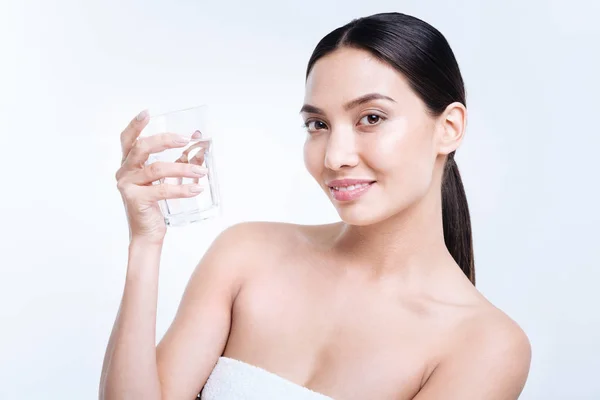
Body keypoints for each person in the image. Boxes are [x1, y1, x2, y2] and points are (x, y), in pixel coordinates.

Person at [99, 12, 531, 400]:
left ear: (449, 128)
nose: (334, 156)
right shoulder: (247, 256)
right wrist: (145, 241)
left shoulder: (485, 345)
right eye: (318, 125)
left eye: (371, 118)